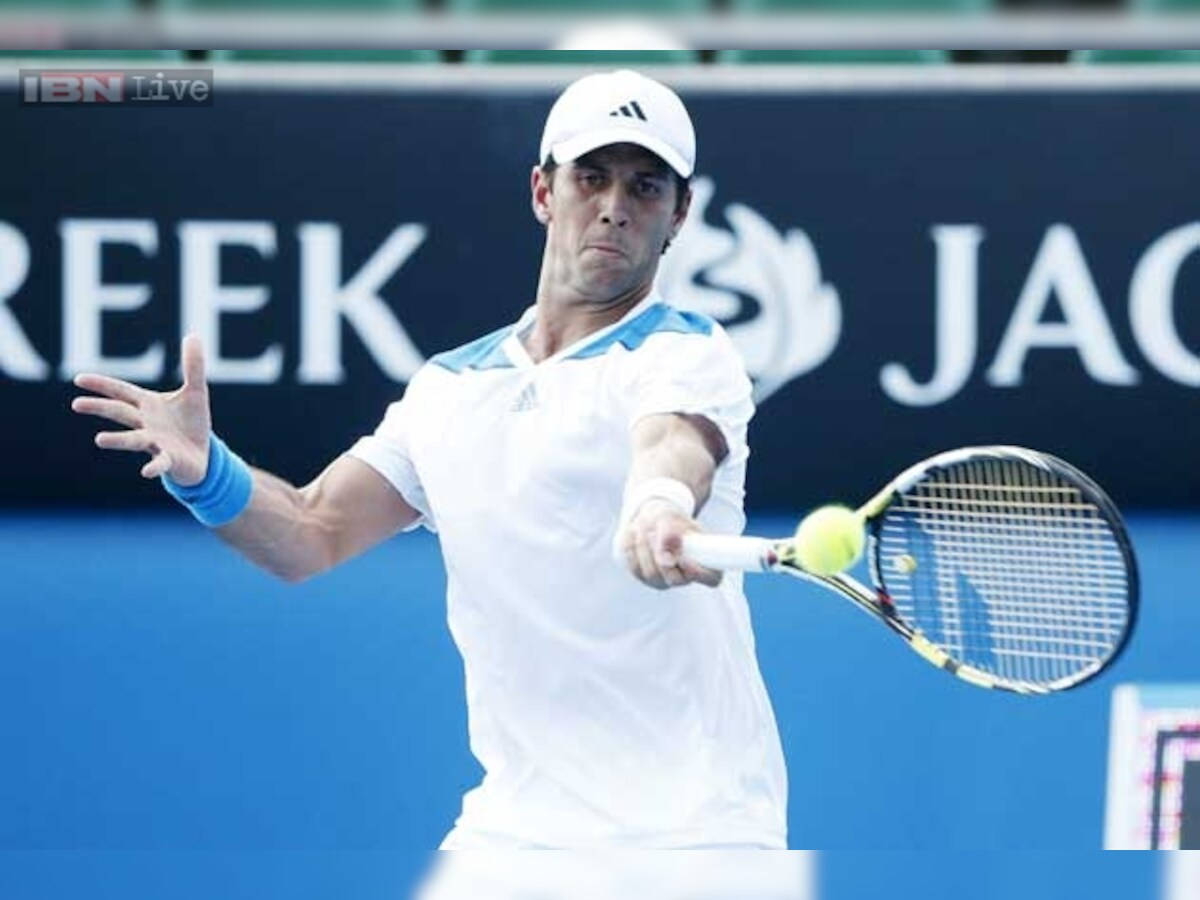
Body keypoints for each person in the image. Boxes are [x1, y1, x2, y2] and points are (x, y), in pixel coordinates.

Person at [71, 69, 788, 850]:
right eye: (591, 177)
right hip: (513, 829)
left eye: (646, 186)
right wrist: (206, 473)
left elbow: (675, 444)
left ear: (679, 215)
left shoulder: (688, 351)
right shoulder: (450, 388)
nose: (615, 204)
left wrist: (658, 505)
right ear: (544, 192)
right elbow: (310, 535)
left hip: (694, 831)